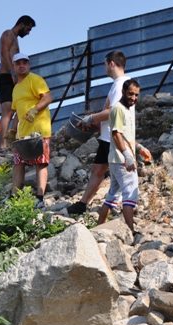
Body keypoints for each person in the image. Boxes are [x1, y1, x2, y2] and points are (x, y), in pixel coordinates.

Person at [67, 50, 133, 215]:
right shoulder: (119, 84)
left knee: (120, 173)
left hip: (115, 138)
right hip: (108, 137)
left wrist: (90, 118)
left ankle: (124, 206)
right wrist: (96, 125)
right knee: (98, 170)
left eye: (105, 64)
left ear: (111, 63)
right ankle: (83, 204)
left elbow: (113, 112)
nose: (105, 68)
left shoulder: (121, 85)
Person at [97, 79, 151, 232]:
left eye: (136, 95)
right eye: (130, 94)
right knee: (130, 195)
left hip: (117, 159)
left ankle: (99, 228)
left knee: (113, 195)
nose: (133, 98)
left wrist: (139, 148)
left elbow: (125, 135)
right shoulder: (118, 109)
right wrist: (127, 155)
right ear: (123, 92)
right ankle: (131, 231)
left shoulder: (127, 110)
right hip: (121, 160)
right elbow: (116, 134)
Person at [10, 52, 52, 207]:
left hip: (39, 130)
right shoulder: (16, 88)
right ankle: (14, 198)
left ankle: (39, 198)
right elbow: (17, 112)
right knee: (18, 164)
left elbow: (48, 97)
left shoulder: (35, 79)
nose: (22, 65)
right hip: (22, 133)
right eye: (18, 63)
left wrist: (35, 110)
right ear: (14, 67)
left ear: (29, 65)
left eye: (24, 62)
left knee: (41, 163)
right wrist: (12, 131)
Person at [0, 15, 36, 152]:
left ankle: (11, 141)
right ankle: (1, 146)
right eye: (28, 29)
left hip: (12, 77)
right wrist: (13, 73)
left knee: (19, 109)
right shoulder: (8, 34)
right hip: (5, 77)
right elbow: (4, 54)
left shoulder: (15, 38)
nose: (28, 33)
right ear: (22, 24)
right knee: (7, 112)